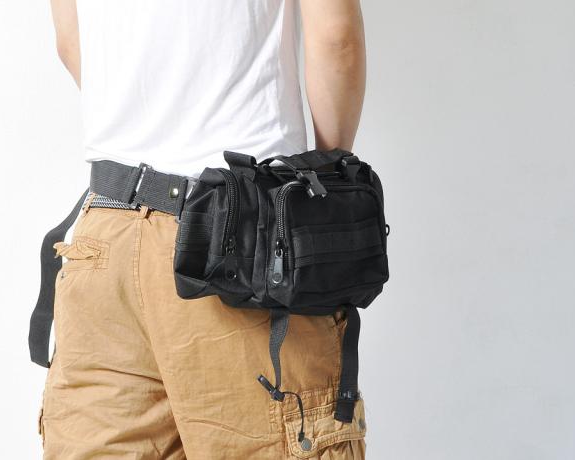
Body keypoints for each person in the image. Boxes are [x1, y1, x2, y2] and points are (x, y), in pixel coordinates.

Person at [36, 0, 367, 458]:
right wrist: (327, 183)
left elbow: (71, 42)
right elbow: (336, 39)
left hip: (108, 230)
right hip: (241, 239)